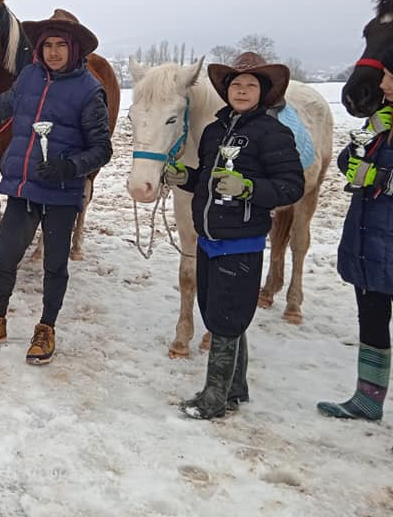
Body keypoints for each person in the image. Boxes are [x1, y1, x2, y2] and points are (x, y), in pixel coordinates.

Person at [0, 9, 112, 365]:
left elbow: (102, 149)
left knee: (54, 265)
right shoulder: (29, 78)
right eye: (47, 45)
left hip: (61, 192)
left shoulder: (89, 90)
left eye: (60, 46)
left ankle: (46, 327)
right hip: (23, 186)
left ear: (74, 49)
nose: (53, 52)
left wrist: (70, 167)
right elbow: (0, 108)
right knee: (3, 256)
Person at [165, 51, 305, 419]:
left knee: (226, 318)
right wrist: (187, 177)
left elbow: (291, 186)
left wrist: (248, 189)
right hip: (209, 239)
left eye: (250, 85)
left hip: (242, 242)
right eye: (236, 84)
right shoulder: (215, 131)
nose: (241, 90)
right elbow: (208, 180)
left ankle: (214, 398)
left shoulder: (272, 133)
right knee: (217, 312)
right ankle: (235, 387)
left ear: (263, 92)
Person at [317, 46, 393, 421]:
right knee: (373, 317)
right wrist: (355, 158)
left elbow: (380, 176)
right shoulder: (381, 122)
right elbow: (353, 159)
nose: (383, 84)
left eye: (390, 77)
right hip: (370, 237)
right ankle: (368, 399)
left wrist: (383, 179)